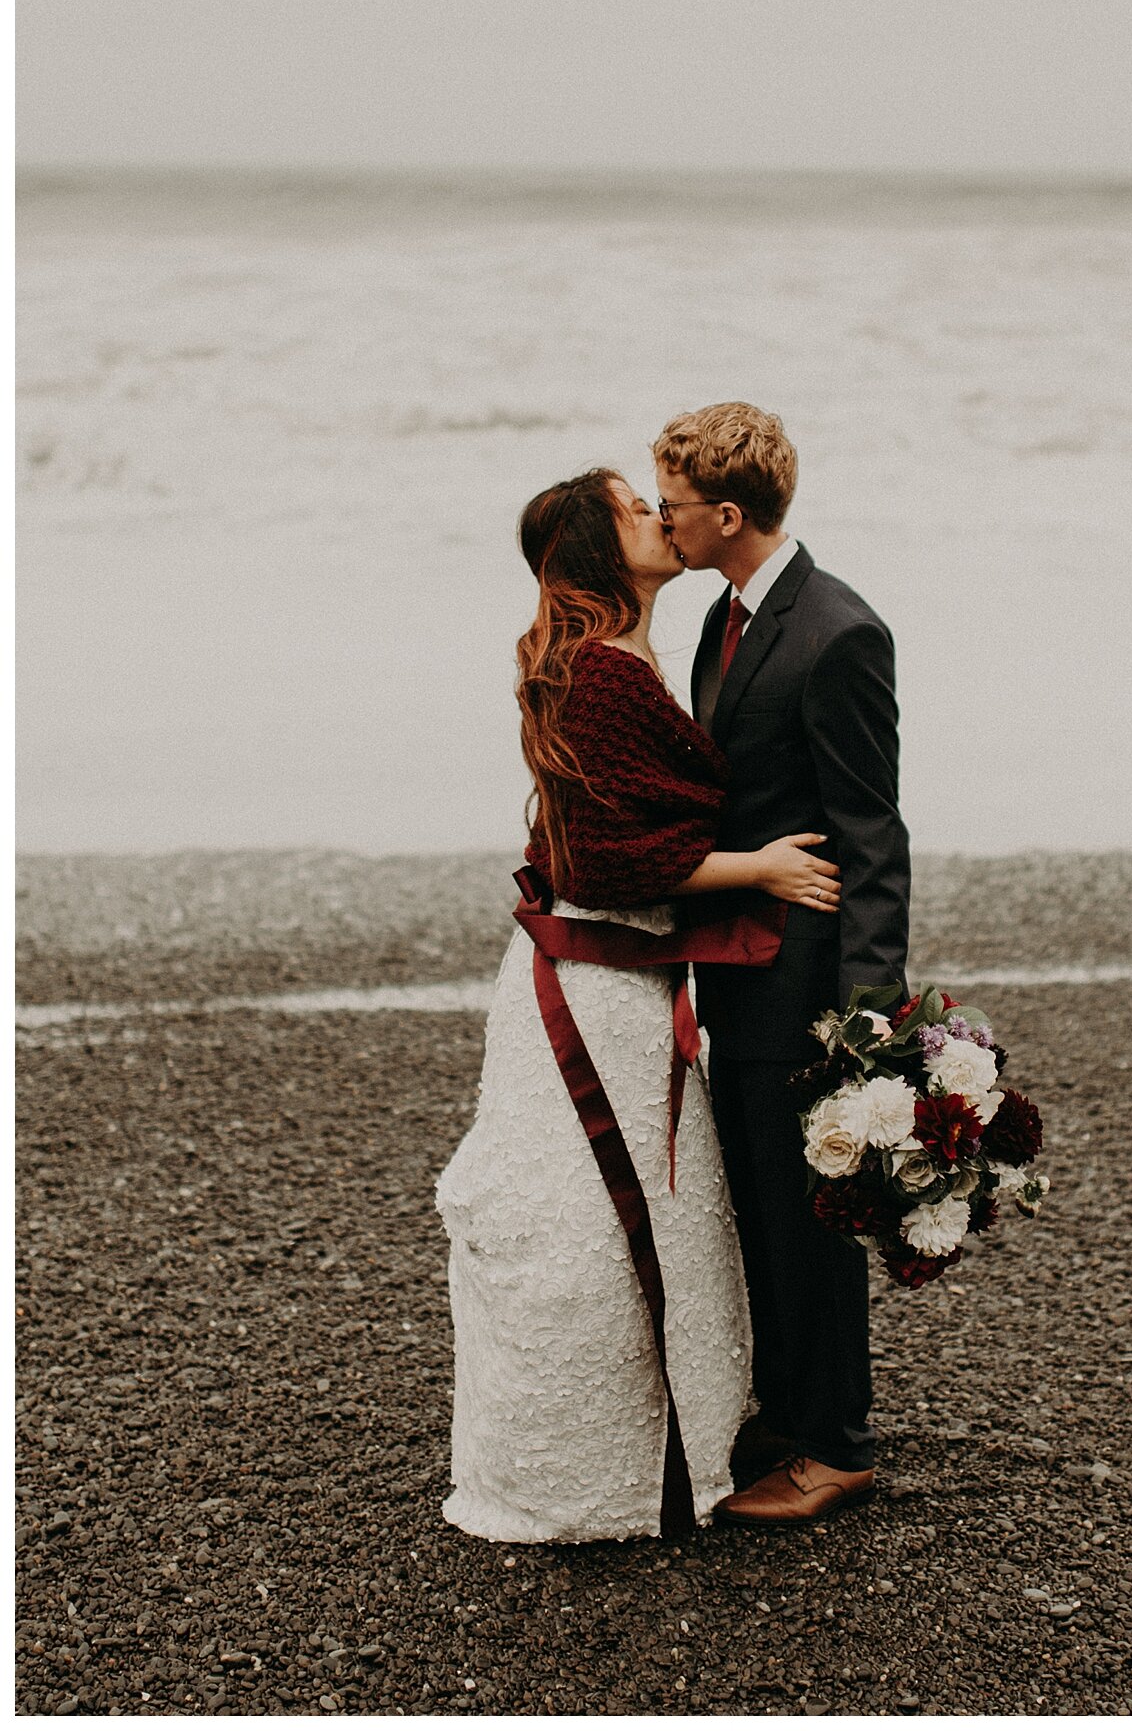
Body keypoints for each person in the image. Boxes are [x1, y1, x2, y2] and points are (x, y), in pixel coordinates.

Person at [434, 467, 841, 1543]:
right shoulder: (604, 673)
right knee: (596, 1221)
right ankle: (605, 1470)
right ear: (597, 546)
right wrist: (755, 865)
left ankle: (653, 1446)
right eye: (634, 507)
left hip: (623, 978)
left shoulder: (632, 654)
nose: (660, 515)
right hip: (600, 989)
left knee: (640, 1214)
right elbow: (606, 858)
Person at [653, 402, 911, 1526]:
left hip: (804, 983)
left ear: (726, 509)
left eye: (671, 500)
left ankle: (837, 1445)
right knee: (759, 1202)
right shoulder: (725, 616)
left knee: (809, 1217)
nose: (661, 517)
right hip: (739, 967)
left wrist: (864, 1022)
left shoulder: (837, 631)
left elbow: (873, 835)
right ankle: (790, 1410)